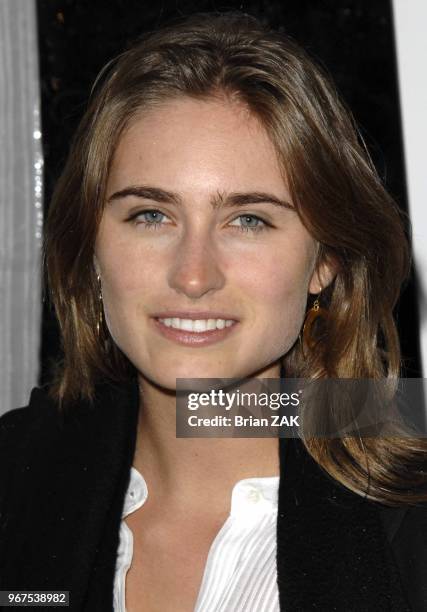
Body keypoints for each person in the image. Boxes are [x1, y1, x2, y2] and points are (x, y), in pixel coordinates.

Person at [1, 11, 426, 612]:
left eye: (249, 220)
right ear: (91, 248)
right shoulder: (17, 476)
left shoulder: (407, 509)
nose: (193, 274)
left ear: (326, 259)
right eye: (151, 215)